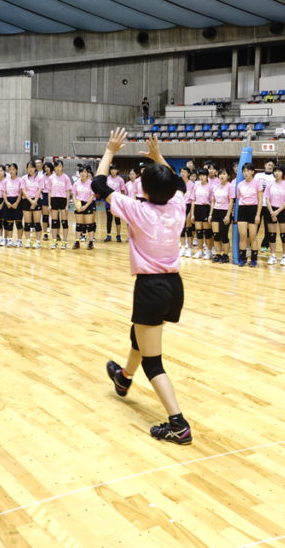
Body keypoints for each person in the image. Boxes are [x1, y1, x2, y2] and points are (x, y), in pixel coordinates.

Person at [94, 128, 192, 445]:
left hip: (151, 288)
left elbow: (98, 185)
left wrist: (110, 150)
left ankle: (178, 424)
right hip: (174, 288)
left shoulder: (139, 210)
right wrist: (157, 156)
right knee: (139, 334)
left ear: (145, 191)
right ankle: (123, 379)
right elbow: (178, 183)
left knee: (154, 360)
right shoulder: (179, 206)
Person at [234, 163, 263, 267]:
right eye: (244, 171)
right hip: (242, 210)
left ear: (252, 171)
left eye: (248, 171)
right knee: (243, 236)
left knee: (252, 237)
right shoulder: (240, 184)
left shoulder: (257, 183)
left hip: (253, 209)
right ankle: (243, 259)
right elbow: (239, 199)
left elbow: (260, 200)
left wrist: (258, 215)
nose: (246, 173)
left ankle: (254, 260)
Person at [265, 164, 285, 266]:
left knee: (283, 235)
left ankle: (284, 256)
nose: (277, 173)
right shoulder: (270, 185)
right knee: (272, 235)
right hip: (271, 210)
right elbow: (267, 199)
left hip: (282, 211)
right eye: (275, 171)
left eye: (279, 171)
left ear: (283, 173)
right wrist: (272, 211)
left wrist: (278, 212)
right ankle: (273, 255)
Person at [209, 165, 233, 263]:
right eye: (220, 174)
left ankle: (225, 255)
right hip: (216, 211)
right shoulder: (215, 187)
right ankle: (218, 254)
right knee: (216, 235)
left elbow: (231, 201)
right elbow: (213, 201)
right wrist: (211, 214)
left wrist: (228, 215)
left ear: (228, 176)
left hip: (225, 211)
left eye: (224, 174)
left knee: (224, 235)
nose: (222, 176)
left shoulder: (230, 186)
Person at [48, 160, 73, 249]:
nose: (58, 168)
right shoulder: (51, 178)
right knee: (54, 222)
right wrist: (49, 204)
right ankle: (54, 240)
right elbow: (49, 192)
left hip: (63, 200)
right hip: (54, 199)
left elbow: (68, 192)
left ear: (62, 167)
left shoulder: (66, 178)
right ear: (54, 168)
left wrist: (67, 205)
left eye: (60, 166)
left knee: (64, 222)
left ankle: (64, 241)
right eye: (57, 166)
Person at [72, 164, 97, 249]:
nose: (83, 173)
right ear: (79, 173)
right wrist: (76, 205)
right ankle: (77, 242)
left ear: (87, 173)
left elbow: (92, 196)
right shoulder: (76, 184)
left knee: (89, 225)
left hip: (88, 205)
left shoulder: (91, 183)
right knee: (79, 225)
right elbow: (74, 196)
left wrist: (86, 206)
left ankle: (90, 242)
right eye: (81, 172)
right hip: (79, 204)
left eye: (85, 172)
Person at [191, 168, 213, 259]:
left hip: (206, 208)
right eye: (200, 176)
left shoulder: (210, 187)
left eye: (203, 175)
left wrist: (210, 214)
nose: (202, 177)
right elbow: (193, 200)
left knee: (207, 232)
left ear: (207, 176)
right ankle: (200, 250)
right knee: (198, 231)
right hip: (197, 208)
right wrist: (192, 214)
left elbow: (212, 202)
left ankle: (208, 251)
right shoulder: (196, 186)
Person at [22, 161, 44, 248]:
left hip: (37, 200)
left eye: (32, 167)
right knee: (27, 223)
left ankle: (38, 241)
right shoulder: (24, 178)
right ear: (27, 169)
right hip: (27, 200)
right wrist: (31, 201)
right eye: (29, 167)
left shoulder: (40, 178)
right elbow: (23, 190)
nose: (30, 169)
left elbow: (39, 189)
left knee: (37, 223)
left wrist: (35, 201)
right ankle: (28, 241)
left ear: (35, 168)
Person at [3, 163, 25, 247]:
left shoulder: (20, 180)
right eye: (10, 169)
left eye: (13, 169)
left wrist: (17, 203)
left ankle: (19, 240)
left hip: (17, 201)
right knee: (9, 222)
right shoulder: (6, 180)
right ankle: (9, 239)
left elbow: (21, 192)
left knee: (18, 222)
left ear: (16, 170)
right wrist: (7, 202)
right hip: (8, 201)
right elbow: (4, 192)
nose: (11, 171)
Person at [104, 164, 126, 243]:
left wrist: (121, 201)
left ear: (117, 170)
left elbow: (123, 191)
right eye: (112, 169)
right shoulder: (107, 179)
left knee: (117, 219)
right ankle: (108, 235)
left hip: (117, 202)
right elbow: (104, 190)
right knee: (109, 219)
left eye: (115, 169)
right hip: (108, 201)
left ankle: (118, 236)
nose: (113, 171)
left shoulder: (120, 180)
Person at [178, 166, 194, 255]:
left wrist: (191, 212)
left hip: (188, 206)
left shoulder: (191, 184)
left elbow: (192, 199)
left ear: (188, 174)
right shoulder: (178, 183)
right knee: (181, 228)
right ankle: (183, 246)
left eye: (184, 172)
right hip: (179, 206)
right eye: (181, 172)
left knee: (188, 228)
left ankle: (189, 247)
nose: (182, 173)